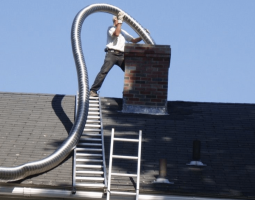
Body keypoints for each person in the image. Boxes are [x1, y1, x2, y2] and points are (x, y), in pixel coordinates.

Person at [89, 12, 143, 97]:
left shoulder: (123, 32)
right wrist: (120, 21)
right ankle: (93, 90)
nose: (121, 21)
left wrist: (143, 35)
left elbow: (134, 40)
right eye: (119, 19)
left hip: (121, 55)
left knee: (130, 72)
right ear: (115, 20)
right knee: (104, 71)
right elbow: (116, 33)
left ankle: (128, 93)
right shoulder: (111, 28)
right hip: (111, 54)